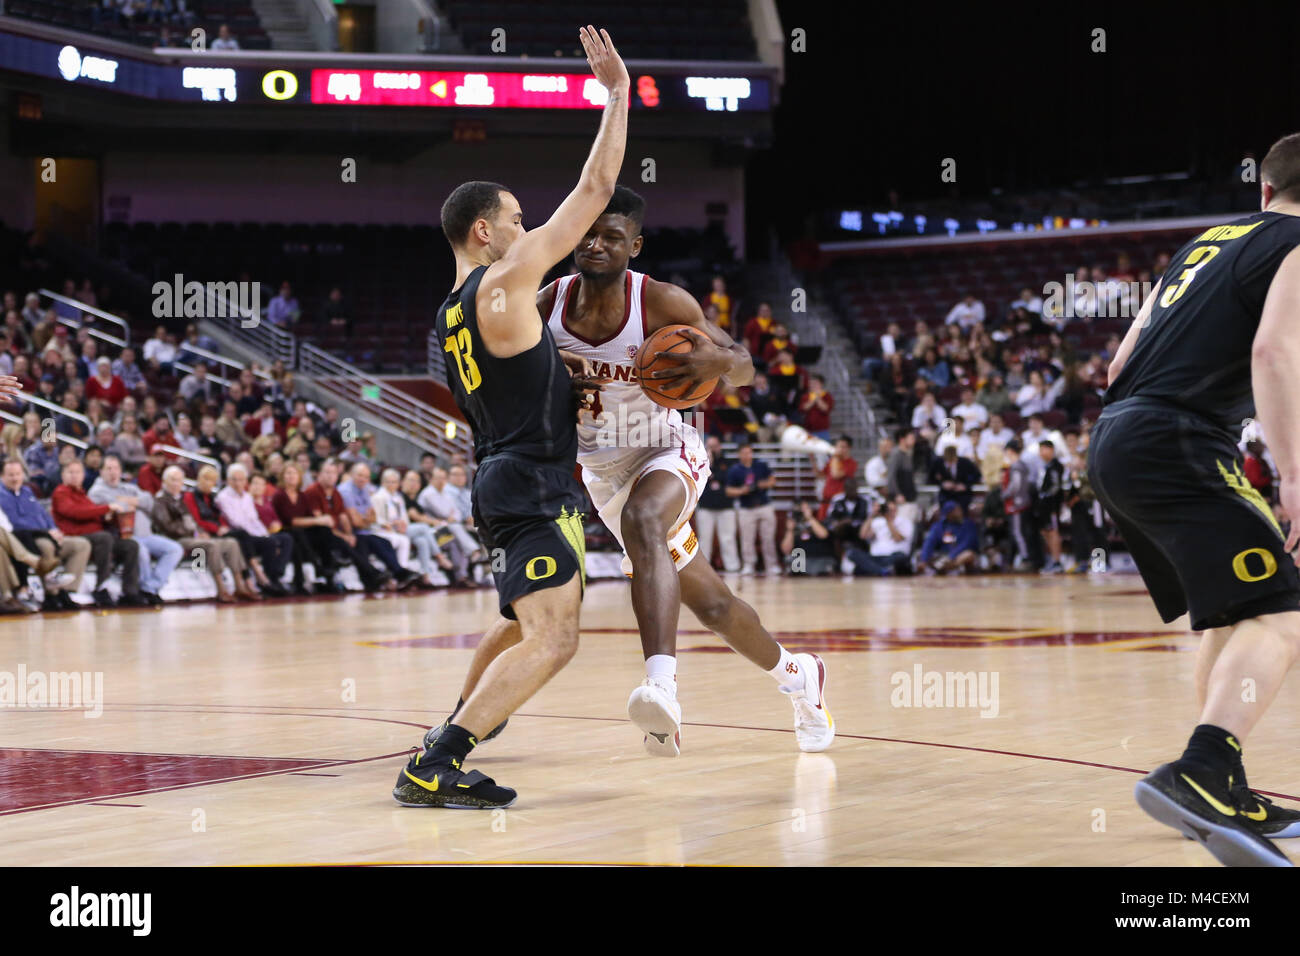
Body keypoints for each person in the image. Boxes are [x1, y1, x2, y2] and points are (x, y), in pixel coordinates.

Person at [393, 25, 630, 810]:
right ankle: (437, 762)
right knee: (555, 638)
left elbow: (520, 366)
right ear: (485, 232)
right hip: (529, 480)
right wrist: (617, 95)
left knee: (523, 622)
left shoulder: (450, 311)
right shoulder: (502, 280)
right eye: (519, 220)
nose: (533, 233)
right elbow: (593, 196)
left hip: (500, 476)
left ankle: (450, 736)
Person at [542, 186, 829, 754]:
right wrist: (552, 385)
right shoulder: (547, 304)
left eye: (612, 237)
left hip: (666, 449)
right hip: (602, 470)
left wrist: (716, 360)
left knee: (646, 519)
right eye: (589, 234)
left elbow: (744, 368)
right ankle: (799, 677)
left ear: (635, 246)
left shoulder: (662, 303)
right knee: (714, 605)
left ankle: (662, 690)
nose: (596, 245)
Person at [1094, 132, 1300, 865]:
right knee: (1284, 612)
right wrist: (1294, 476)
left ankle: (1220, 788)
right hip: (1176, 440)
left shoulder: (1204, 243)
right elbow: (1273, 352)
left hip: (1117, 434)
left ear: (1264, 191)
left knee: (1228, 611)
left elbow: (1119, 361)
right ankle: (1203, 772)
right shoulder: (1297, 246)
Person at [51, 459, 147, 608]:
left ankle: (130, 591)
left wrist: (107, 517)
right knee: (105, 538)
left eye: (78, 472)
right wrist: (106, 508)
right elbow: (75, 513)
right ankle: (101, 586)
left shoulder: (83, 494)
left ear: (83, 475)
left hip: (96, 536)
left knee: (130, 545)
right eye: (70, 472)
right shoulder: (61, 492)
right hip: (75, 536)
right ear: (63, 475)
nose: (74, 476)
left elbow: (93, 516)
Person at [88, 454, 177, 604]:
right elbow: (117, 508)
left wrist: (128, 500)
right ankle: (144, 590)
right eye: (108, 468)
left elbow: (150, 501)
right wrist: (135, 502)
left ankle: (151, 587)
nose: (113, 472)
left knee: (174, 549)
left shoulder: (129, 487)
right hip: (125, 535)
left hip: (147, 534)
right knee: (140, 551)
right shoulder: (96, 491)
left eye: (116, 468)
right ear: (101, 471)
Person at [727, 441, 781, 578]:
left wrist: (762, 484)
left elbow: (773, 480)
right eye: (744, 453)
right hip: (746, 507)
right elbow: (728, 490)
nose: (747, 455)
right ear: (739, 454)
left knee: (768, 538)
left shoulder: (761, 466)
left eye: (749, 452)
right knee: (747, 539)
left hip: (764, 505)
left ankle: (771, 564)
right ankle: (748, 565)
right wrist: (742, 490)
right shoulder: (735, 470)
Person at [693, 435, 739, 572]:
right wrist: (709, 464)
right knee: (704, 539)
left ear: (720, 446)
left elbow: (727, 479)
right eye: (710, 446)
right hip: (706, 508)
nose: (712, 449)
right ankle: (704, 568)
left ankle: (732, 567)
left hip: (726, 507)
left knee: (728, 538)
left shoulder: (728, 462)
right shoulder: (700, 461)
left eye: (715, 446)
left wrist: (715, 474)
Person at [918, 501, 979, 574]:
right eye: (955, 510)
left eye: (959, 509)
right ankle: (940, 567)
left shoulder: (969, 525)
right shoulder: (938, 526)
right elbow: (929, 542)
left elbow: (967, 543)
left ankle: (948, 567)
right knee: (921, 555)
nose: (960, 512)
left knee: (968, 555)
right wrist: (923, 560)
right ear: (948, 514)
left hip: (959, 556)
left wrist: (951, 556)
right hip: (942, 555)